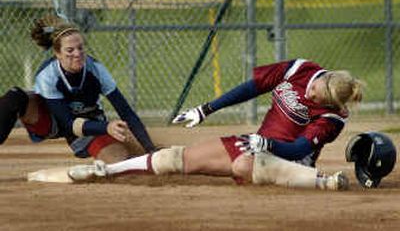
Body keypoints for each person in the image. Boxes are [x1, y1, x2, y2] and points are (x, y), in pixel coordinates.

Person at [68, 59, 363, 190]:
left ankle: (321, 183)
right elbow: (252, 87)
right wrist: (206, 108)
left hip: (289, 160)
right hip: (256, 144)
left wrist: (268, 145)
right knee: (175, 157)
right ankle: (106, 172)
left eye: (319, 98)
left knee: (243, 166)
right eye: (316, 89)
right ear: (324, 76)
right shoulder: (301, 70)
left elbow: (299, 146)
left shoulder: (333, 118)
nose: (310, 94)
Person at [0, 15, 156, 163]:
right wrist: (106, 127)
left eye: (80, 48)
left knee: (120, 161)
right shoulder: (48, 74)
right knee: (15, 97)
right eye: (70, 50)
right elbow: (67, 123)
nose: (77, 54)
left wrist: (150, 149)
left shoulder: (96, 69)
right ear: (57, 54)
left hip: (87, 122)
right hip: (52, 120)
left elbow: (126, 112)